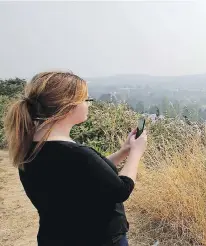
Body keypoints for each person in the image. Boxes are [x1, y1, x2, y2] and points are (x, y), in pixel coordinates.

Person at [3, 71, 148, 246]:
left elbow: (88, 174)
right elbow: (120, 190)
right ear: (68, 107)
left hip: (54, 237)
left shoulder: (31, 148)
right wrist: (136, 153)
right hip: (98, 238)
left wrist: (124, 151)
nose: (88, 105)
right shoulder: (77, 154)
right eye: (86, 100)